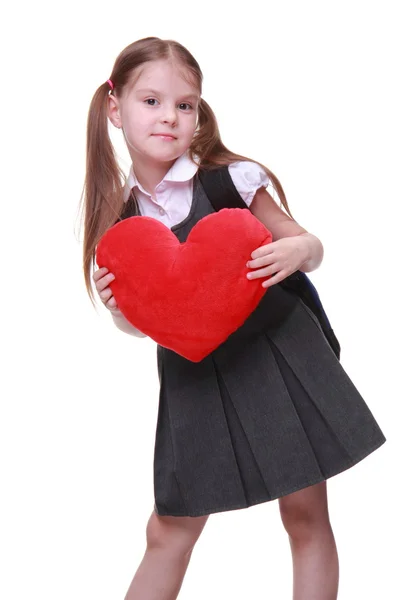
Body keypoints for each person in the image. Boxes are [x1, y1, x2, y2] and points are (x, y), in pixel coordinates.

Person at [80, 36, 386, 600]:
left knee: (304, 512)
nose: (169, 116)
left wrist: (301, 250)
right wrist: (123, 310)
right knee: (169, 526)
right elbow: (143, 322)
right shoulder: (120, 217)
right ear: (114, 108)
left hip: (275, 352)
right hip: (193, 369)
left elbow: (306, 244)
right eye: (151, 101)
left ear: (199, 111)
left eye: (185, 104)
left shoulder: (230, 180)